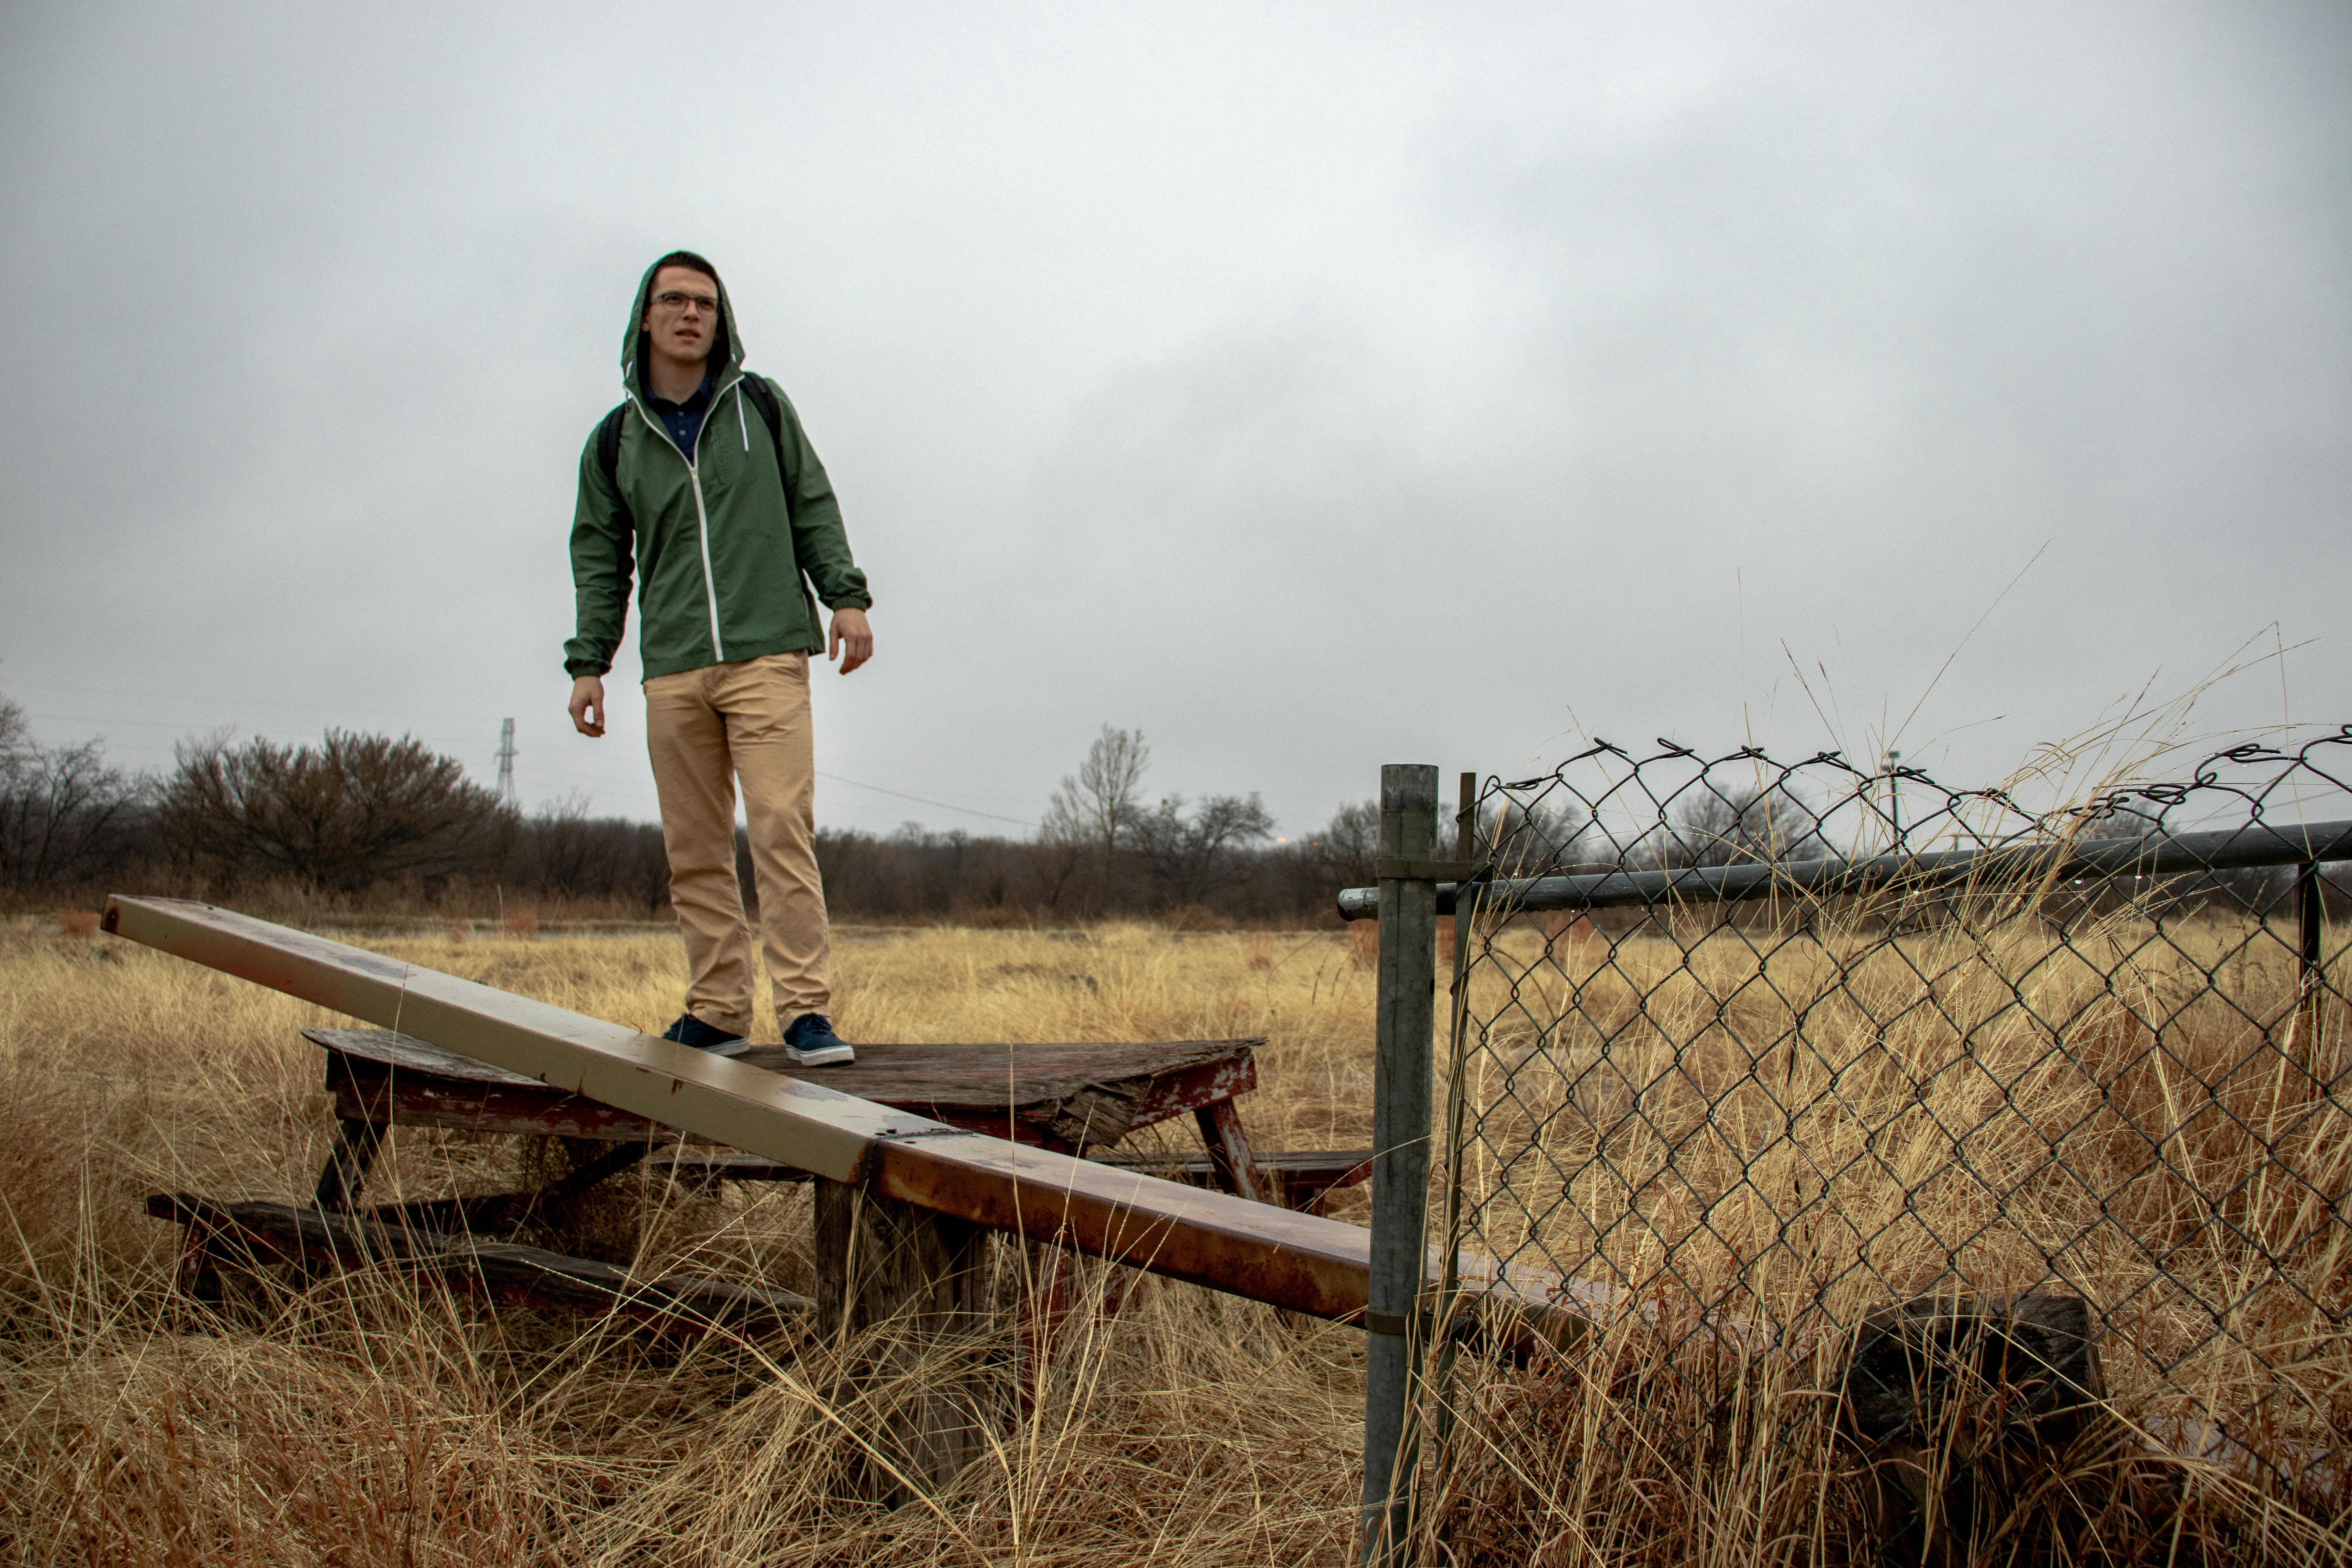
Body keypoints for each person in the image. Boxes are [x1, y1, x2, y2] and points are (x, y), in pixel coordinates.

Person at [563, 250, 871, 1065]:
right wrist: (588, 662)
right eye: (674, 300)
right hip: (672, 667)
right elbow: (601, 560)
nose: (691, 313)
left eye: (705, 301)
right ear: (646, 317)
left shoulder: (761, 407)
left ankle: (805, 1011)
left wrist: (846, 596)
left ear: (720, 317)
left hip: (768, 651)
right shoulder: (615, 441)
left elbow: (813, 500)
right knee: (694, 846)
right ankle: (720, 1010)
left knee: (779, 828)